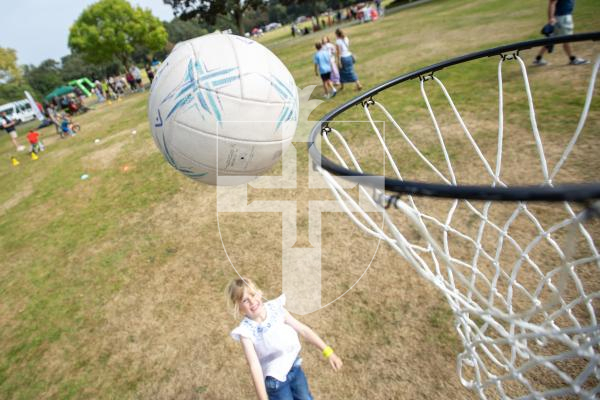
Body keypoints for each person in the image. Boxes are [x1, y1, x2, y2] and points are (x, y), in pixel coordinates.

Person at [227, 278, 342, 400]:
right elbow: (254, 366)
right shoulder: (246, 332)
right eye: (245, 300)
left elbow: (304, 330)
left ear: (260, 293)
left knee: (305, 397)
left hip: (295, 368)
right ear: (239, 308)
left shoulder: (276, 309)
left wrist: (328, 352)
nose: (252, 301)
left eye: (253, 294)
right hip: (275, 382)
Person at [533, 0, 589, 66]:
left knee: (551, 39)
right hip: (562, 18)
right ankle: (573, 59)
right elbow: (552, 3)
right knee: (567, 38)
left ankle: (538, 58)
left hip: (563, 17)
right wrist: (551, 18)